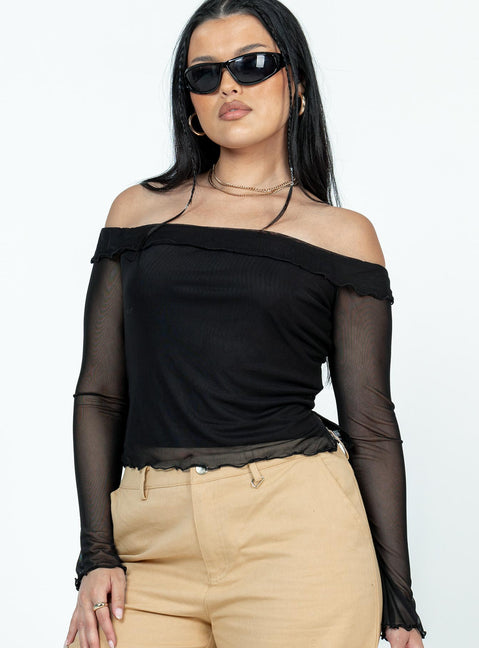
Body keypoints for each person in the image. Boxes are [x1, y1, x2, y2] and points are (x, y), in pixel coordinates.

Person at [64, 1, 427, 647]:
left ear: (297, 86)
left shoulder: (341, 235)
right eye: (205, 74)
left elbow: (370, 423)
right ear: (190, 102)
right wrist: (96, 554)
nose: (228, 85)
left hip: (295, 534)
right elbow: (100, 392)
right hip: (148, 541)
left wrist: (399, 605)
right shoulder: (138, 212)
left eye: (253, 64)